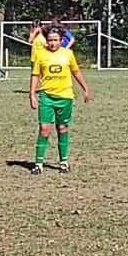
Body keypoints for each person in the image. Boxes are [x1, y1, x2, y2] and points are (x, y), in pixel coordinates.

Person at [28, 26, 90, 174]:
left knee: (62, 128)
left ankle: (63, 162)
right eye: (50, 40)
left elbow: (76, 72)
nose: (53, 43)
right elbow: (35, 74)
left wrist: (85, 89)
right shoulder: (41, 55)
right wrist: (31, 94)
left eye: (56, 40)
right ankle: (38, 164)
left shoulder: (68, 54)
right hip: (46, 96)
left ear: (61, 40)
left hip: (65, 96)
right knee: (44, 129)